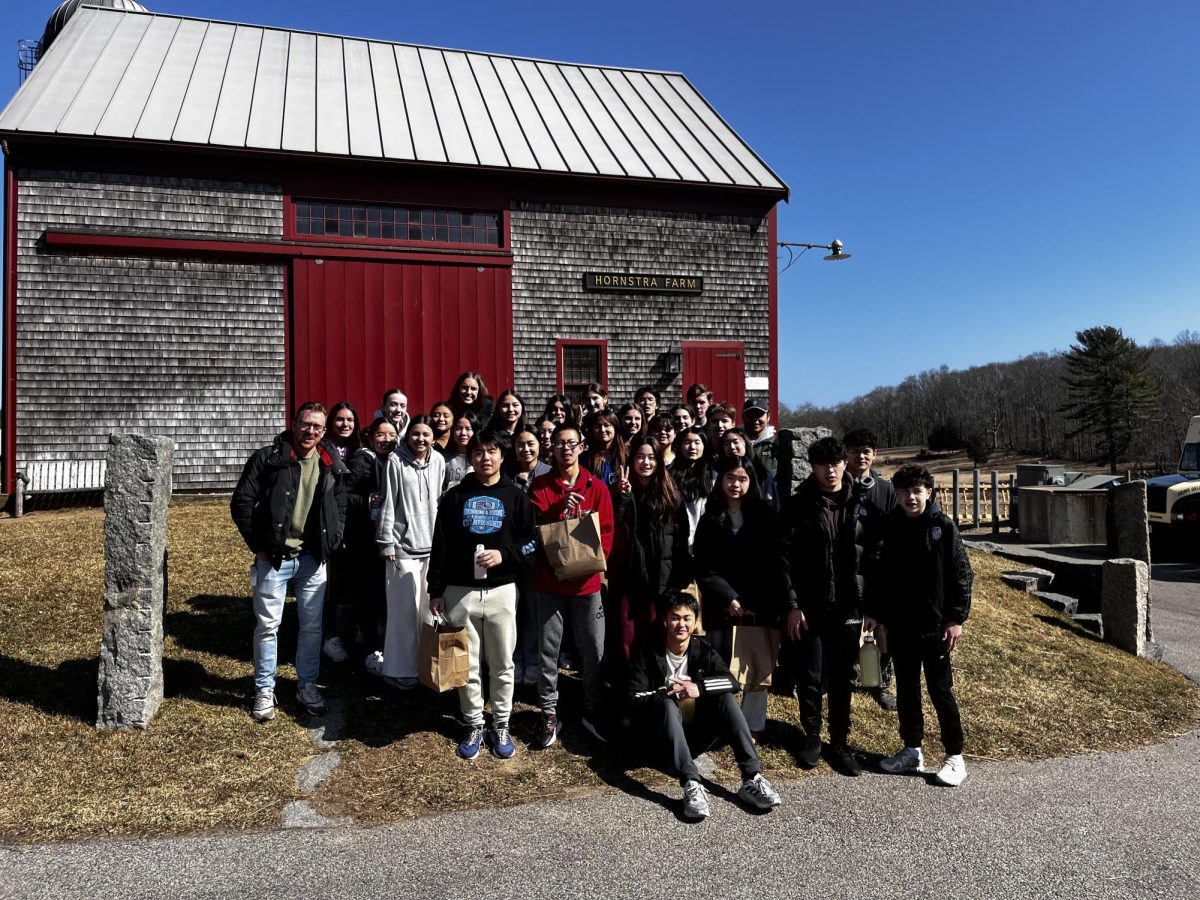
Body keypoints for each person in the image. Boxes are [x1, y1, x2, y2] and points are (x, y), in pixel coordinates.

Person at [231, 402, 348, 722]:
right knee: (268, 626)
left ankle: (306, 684)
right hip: (275, 559)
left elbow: (339, 500)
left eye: (317, 427)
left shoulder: (328, 460)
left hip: (313, 560)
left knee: (312, 627)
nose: (311, 431)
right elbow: (242, 500)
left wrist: (333, 537)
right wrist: (258, 545)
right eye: (305, 424)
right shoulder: (269, 458)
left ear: (324, 432)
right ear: (294, 424)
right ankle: (265, 689)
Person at [429, 429, 537, 760]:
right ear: (469, 457)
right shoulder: (454, 497)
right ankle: (474, 721)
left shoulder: (517, 497)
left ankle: (501, 722)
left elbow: (533, 543)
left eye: (492, 452)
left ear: (503, 457)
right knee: (466, 664)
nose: (485, 458)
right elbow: (440, 546)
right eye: (478, 452)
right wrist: (436, 590)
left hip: (502, 591)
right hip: (460, 592)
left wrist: (506, 555)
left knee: (503, 663)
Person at [627, 592, 782, 820]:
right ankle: (691, 783)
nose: (681, 624)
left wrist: (698, 687)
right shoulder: (647, 652)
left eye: (687, 618)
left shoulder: (701, 649)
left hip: (694, 738)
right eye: (675, 617)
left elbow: (731, 682)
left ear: (695, 621)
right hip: (660, 741)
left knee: (725, 698)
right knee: (669, 705)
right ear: (664, 620)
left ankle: (752, 778)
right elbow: (633, 699)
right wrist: (670, 693)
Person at [865, 464, 973, 787]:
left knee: (940, 690)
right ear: (896, 494)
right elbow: (877, 574)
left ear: (929, 491)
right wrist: (874, 613)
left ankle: (955, 756)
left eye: (917, 490)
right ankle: (912, 749)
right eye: (904, 491)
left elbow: (962, 575)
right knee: (907, 690)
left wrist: (956, 619)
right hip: (901, 625)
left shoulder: (942, 526)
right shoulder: (890, 526)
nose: (911, 497)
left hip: (936, 625)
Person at [779, 436, 868, 776]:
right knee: (812, 675)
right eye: (822, 464)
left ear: (845, 464)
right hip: (810, 605)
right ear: (813, 468)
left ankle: (840, 742)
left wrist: (868, 607)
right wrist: (792, 604)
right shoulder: (797, 505)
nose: (830, 470)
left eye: (835, 463)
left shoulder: (860, 503)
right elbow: (782, 560)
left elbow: (872, 558)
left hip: (848, 605)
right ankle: (812, 737)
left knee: (843, 676)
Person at [529, 422, 615, 747]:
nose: (566, 448)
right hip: (550, 584)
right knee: (548, 650)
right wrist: (559, 516)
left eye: (571, 443)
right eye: (559, 443)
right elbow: (534, 535)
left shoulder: (597, 487)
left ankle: (593, 709)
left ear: (581, 447)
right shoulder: (540, 487)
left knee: (593, 649)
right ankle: (549, 713)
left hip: (587, 585)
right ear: (551, 447)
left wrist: (591, 562)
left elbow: (607, 535)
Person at [692, 457, 788, 737]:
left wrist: (750, 601)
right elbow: (703, 565)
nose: (736, 484)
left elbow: (775, 561)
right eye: (730, 478)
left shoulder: (765, 515)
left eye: (742, 479)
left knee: (756, 666)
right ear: (720, 481)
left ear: (751, 482)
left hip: (759, 605)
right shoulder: (711, 517)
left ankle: (752, 726)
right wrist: (729, 598)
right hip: (722, 606)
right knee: (719, 666)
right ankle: (721, 721)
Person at [377, 414, 446, 688]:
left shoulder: (439, 461)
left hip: (431, 547)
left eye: (426, 434)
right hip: (402, 547)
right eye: (416, 434)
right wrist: (386, 541)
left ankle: (425, 666)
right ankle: (401, 670)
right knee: (403, 612)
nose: (421, 439)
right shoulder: (395, 461)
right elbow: (388, 500)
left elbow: (440, 501)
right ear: (408, 435)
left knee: (428, 613)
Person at [610, 436, 691, 661]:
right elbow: (612, 525)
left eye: (651, 457)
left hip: (660, 580)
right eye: (640, 457)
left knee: (655, 636)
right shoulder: (619, 492)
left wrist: (679, 579)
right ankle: (627, 688)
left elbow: (680, 541)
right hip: (627, 577)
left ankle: (653, 687)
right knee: (626, 637)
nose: (645, 463)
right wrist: (623, 497)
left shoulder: (671, 496)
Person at [844, 427, 899, 711]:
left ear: (874, 455)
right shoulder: (839, 485)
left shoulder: (886, 490)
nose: (861, 456)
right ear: (847, 455)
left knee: (882, 625)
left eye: (866, 451)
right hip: (845, 567)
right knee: (849, 623)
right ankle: (851, 671)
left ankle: (882, 680)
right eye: (855, 451)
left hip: (877, 567)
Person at [345, 416, 398, 673]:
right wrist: (368, 500)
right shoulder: (362, 460)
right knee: (369, 595)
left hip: (392, 539)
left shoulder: (398, 461)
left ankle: (387, 644)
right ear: (370, 437)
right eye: (380, 435)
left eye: (391, 435)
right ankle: (371, 647)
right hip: (365, 538)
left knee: (387, 595)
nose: (386, 440)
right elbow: (344, 494)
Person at [507, 424, 551, 685]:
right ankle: (515, 659)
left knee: (535, 609)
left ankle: (533, 659)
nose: (526, 449)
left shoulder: (547, 472)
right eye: (520, 444)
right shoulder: (507, 474)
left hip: (540, 554)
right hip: (511, 553)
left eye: (530, 443)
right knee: (511, 609)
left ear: (539, 445)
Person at [323, 401, 363, 663]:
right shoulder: (323, 449)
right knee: (330, 583)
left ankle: (351, 633)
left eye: (350, 420)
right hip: (330, 522)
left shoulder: (361, 450)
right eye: (340, 419)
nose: (345, 424)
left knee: (353, 582)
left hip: (357, 526)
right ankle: (330, 636)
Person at [671, 427, 715, 550]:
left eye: (697, 442)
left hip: (706, 541)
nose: (692, 447)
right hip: (677, 542)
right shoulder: (669, 476)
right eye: (687, 442)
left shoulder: (713, 476)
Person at [720, 429, 780, 511]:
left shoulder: (762, 475)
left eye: (736, 442)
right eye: (726, 444)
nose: (732, 447)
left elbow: (773, 508)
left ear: (745, 443)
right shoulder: (717, 473)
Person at [580, 409, 626, 488]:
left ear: (615, 427)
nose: (602, 430)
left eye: (607, 425)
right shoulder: (584, 458)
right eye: (598, 426)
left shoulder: (626, 456)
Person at [742, 397, 779, 484]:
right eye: (750, 414)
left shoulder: (777, 444)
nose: (755, 419)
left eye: (759, 414)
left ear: (768, 417)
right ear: (743, 417)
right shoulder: (734, 443)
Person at [442, 413, 478, 493]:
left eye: (468, 429)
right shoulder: (444, 459)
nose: (463, 433)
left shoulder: (481, 458)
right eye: (459, 428)